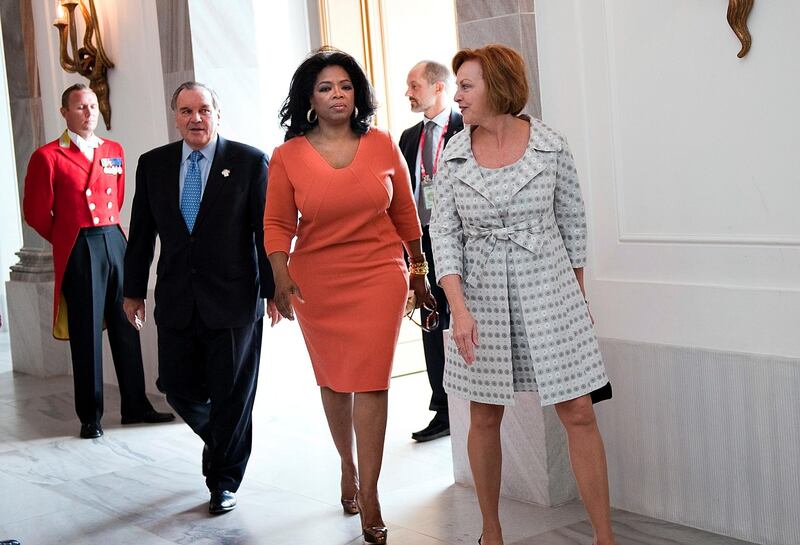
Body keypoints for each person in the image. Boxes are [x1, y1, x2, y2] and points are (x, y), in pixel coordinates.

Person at [429, 45, 616, 545]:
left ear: (497, 86)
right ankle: (491, 533)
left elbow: (574, 224)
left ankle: (605, 537)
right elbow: (443, 235)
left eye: (467, 85)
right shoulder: (453, 155)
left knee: (578, 410)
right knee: (485, 414)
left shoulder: (551, 145)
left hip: (550, 292)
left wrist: (576, 299)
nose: (458, 96)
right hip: (483, 298)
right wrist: (459, 309)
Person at [264, 49, 432, 545]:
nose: (337, 94)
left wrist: (418, 273)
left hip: (380, 274)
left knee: (372, 381)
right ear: (309, 99)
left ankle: (373, 495)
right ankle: (347, 467)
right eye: (325, 88)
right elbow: (276, 223)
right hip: (317, 280)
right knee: (335, 383)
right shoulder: (288, 155)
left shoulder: (382, 144)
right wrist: (280, 275)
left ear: (356, 93)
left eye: (344, 86)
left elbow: (406, 215)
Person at [122, 82, 279, 515]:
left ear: (217, 114)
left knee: (231, 393)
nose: (196, 118)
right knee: (174, 387)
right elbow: (141, 234)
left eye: (204, 110)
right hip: (176, 298)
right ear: (175, 116)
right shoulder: (153, 164)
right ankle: (225, 438)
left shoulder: (248, 162)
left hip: (233, 300)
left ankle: (224, 480)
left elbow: (265, 232)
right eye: (187, 110)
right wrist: (133, 291)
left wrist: (274, 289)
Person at [22, 83, 173, 440]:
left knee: (126, 323)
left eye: (92, 106)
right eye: (80, 107)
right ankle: (90, 416)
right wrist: (68, 238)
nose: (89, 113)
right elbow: (37, 213)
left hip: (113, 239)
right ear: (64, 113)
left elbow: (117, 197)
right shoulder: (48, 156)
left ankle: (136, 405)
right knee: (86, 332)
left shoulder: (113, 150)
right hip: (79, 244)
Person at [399, 60, 464, 442]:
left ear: (439, 87)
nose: (409, 92)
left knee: (461, 317)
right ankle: (442, 408)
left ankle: (469, 402)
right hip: (423, 243)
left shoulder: (464, 129)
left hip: (459, 240)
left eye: (414, 85)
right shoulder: (410, 137)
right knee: (430, 322)